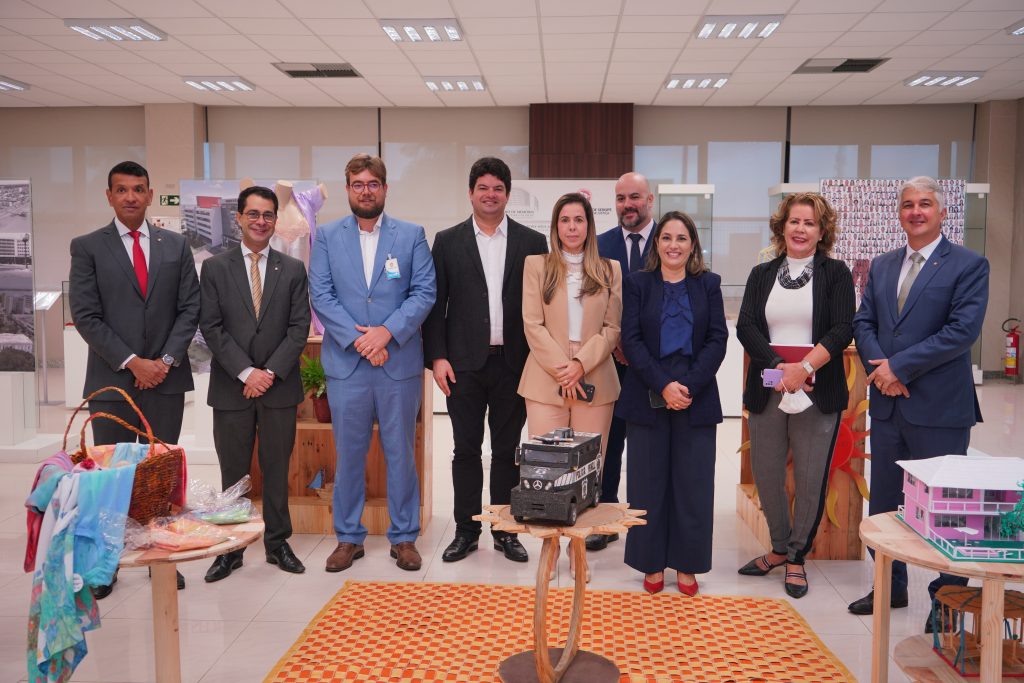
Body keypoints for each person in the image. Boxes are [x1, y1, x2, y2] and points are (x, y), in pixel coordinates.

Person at [849, 176, 989, 631]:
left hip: (939, 408)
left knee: (948, 509)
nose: (916, 211)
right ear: (899, 213)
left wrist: (899, 368)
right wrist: (882, 370)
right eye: (908, 204)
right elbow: (864, 321)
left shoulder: (969, 265)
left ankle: (947, 600)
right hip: (888, 407)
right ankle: (890, 585)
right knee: (885, 503)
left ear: (942, 212)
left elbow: (961, 332)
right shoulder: (883, 265)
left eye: (925, 204)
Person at [69, 160, 199, 597]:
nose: (130, 196)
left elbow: (190, 308)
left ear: (149, 195)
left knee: (159, 476)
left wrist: (163, 361)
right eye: (121, 189)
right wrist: (132, 362)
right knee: (110, 479)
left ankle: (161, 558)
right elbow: (86, 315)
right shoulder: (88, 247)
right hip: (112, 382)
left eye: (138, 189)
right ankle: (106, 565)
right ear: (109, 196)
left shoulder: (175, 245)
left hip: (166, 380)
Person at [309, 154, 436, 573]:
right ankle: (348, 537)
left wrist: (386, 333)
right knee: (349, 455)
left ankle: (404, 537)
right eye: (358, 184)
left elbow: (424, 292)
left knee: (401, 453)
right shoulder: (327, 236)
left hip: (397, 363)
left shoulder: (411, 235)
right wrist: (362, 340)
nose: (366, 191)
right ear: (348, 189)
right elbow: (321, 295)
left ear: (384, 188)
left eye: (373, 184)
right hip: (348, 365)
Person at [423, 157, 547, 564]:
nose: (490, 195)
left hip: (515, 363)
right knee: (466, 450)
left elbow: (542, 307)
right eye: (483, 188)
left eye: (498, 188)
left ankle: (505, 530)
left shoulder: (532, 242)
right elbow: (436, 304)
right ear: (470, 193)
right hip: (462, 365)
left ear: (507, 194)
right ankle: (466, 530)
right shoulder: (448, 241)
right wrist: (437, 357)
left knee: (508, 451)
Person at [735, 192, 855, 598]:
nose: (801, 229)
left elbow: (842, 328)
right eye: (794, 221)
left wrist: (803, 368)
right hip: (769, 386)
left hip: (817, 390)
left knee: (809, 477)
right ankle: (778, 547)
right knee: (767, 473)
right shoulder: (761, 274)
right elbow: (746, 325)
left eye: (810, 223)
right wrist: (780, 367)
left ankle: (797, 556)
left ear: (822, 232)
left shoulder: (836, 273)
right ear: (781, 226)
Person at [199, 185, 311, 582]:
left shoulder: (292, 269)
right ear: (239, 218)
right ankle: (231, 549)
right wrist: (247, 372)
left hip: (279, 387)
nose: (260, 221)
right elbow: (211, 326)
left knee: (277, 469)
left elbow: (298, 328)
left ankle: (278, 544)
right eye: (253, 214)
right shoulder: (215, 268)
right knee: (233, 472)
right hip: (232, 387)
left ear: (275, 221)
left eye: (267, 215)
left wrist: (269, 373)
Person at [617, 211, 727, 596]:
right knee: (647, 483)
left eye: (682, 238)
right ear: (657, 243)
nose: (674, 245)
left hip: (697, 393)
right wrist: (664, 385)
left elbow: (717, 339)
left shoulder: (708, 284)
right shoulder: (638, 283)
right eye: (666, 237)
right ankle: (650, 561)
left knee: (693, 484)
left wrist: (688, 386)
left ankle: (687, 562)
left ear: (693, 245)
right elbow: (631, 340)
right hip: (648, 390)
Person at [518, 193, 622, 579]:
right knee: (547, 473)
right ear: (555, 226)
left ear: (589, 226)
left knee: (587, 473)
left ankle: (578, 555)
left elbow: (612, 328)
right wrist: (564, 368)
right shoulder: (537, 266)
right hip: (546, 377)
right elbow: (532, 323)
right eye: (565, 220)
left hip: (595, 376)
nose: (572, 227)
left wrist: (581, 364)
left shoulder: (609, 269)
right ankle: (549, 553)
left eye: (579, 220)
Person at [589, 171, 655, 552]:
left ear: (649, 200)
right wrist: (614, 343)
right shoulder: (600, 245)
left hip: (656, 364)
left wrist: (640, 348)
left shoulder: (669, 241)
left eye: (634, 197)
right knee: (609, 443)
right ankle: (606, 517)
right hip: (610, 361)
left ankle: (647, 520)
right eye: (620, 198)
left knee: (649, 446)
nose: (627, 205)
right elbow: (592, 302)